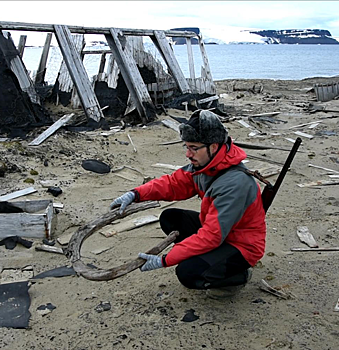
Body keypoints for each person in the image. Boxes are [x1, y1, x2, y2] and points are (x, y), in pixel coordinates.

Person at [109, 110, 266, 298]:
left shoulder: (235, 184)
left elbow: (211, 236)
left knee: (188, 273)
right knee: (170, 217)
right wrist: (135, 194)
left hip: (241, 244)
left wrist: (165, 260)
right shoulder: (204, 166)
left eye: (193, 148)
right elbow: (173, 184)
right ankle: (207, 258)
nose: (187, 154)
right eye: (186, 146)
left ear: (213, 147)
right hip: (220, 232)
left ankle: (238, 276)